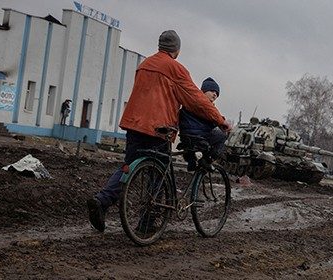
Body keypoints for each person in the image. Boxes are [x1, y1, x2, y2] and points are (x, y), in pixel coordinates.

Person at [87, 30, 231, 232]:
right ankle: (147, 224)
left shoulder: (144, 65)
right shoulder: (176, 69)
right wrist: (221, 121)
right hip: (159, 129)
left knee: (129, 167)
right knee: (158, 175)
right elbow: (196, 100)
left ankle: (102, 201)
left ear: (160, 46)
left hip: (134, 124)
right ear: (177, 50)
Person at [178, 77, 227, 171]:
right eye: (212, 91)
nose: (215, 95)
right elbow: (214, 121)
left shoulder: (190, 100)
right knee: (221, 136)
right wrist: (223, 122)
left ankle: (192, 159)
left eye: (217, 94)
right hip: (199, 136)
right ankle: (208, 160)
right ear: (204, 91)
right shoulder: (205, 105)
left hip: (185, 135)